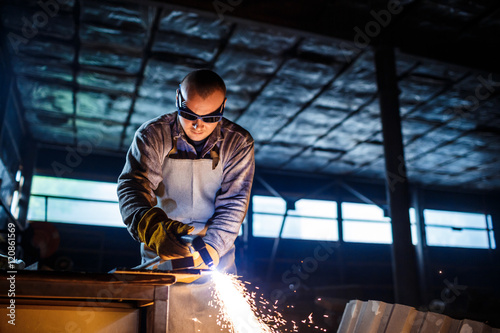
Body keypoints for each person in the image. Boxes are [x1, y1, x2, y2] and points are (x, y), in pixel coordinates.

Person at [117, 69, 255, 332]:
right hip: (163, 248)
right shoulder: (152, 135)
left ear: (223, 108)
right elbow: (133, 187)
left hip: (216, 254)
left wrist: (213, 247)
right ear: (178, 99)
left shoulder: (238, 143)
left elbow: (234, 203)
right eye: (189, 115)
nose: (198, 125)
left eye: (210, 117)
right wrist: (152, 228)